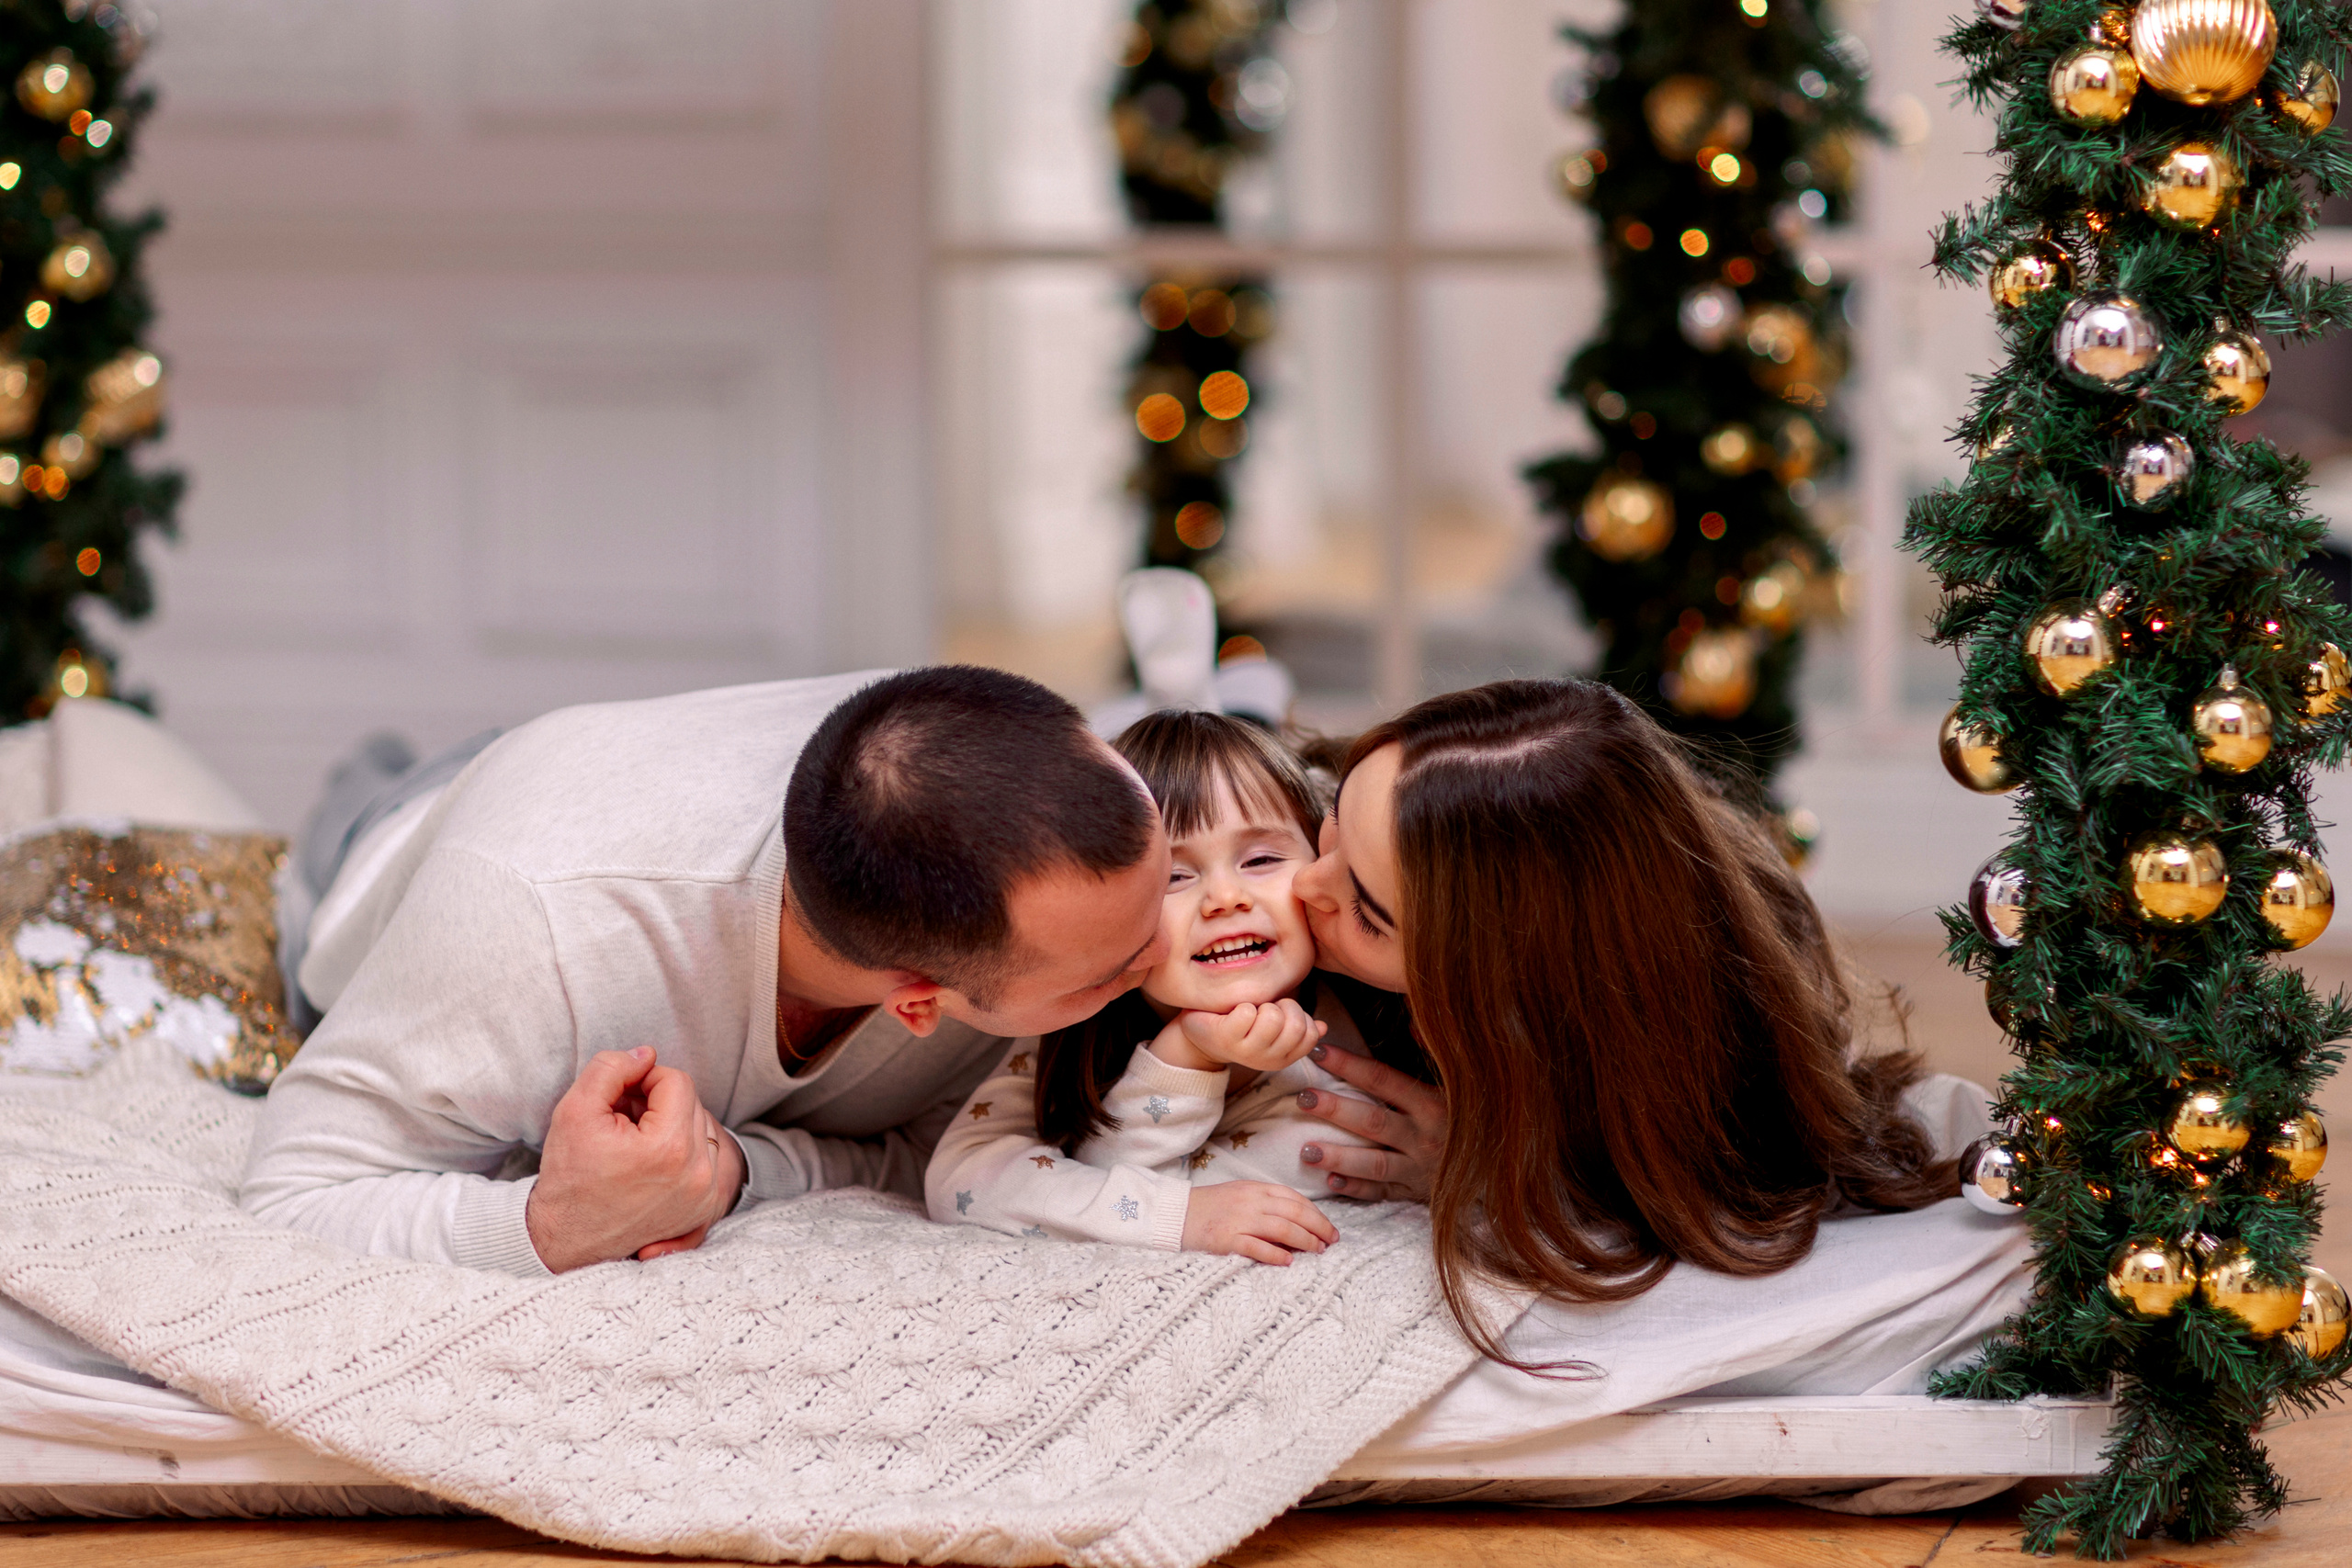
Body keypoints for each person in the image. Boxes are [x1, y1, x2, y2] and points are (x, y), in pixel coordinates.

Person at [239, 667, 1175, 1277]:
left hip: (620, 765)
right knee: (363, 801)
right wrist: (549, 1226)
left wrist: (738, 1170)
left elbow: (937, 1152)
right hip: (432, 834)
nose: (1168, 941)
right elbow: (292, 1195)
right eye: (1118, 968)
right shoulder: (532, 936)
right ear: (919, 1004)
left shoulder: (1010, 804)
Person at [1275, 679, 1955, 1362]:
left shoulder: (1691, 1068)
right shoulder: (1295, 819)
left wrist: (1477, 1176)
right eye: (1336, 816)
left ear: (1506, 986)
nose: (1305, 884)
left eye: (1367, 914)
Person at [927, 709, 1399, 1265]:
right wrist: (1185, 1067)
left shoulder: (1375, 1002)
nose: (1226, 898)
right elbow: (964, 1177)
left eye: (1262, 859)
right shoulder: (1077, 1021)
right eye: (1174, 876)